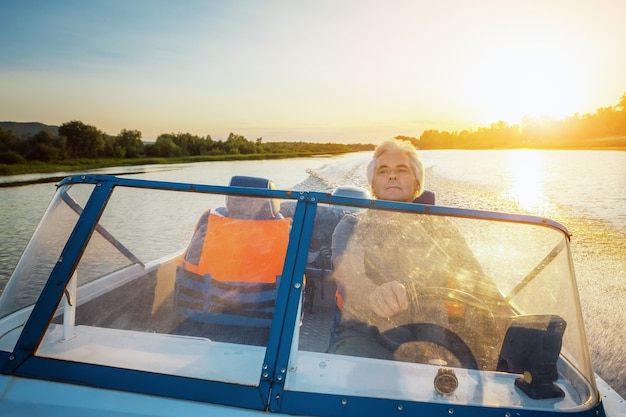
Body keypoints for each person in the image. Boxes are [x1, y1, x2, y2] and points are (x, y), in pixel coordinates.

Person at [327, 139, 505, 366]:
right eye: (384, 171)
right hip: (367, 336)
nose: (392, 176)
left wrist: (508, 320)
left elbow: (477, 279)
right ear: (373, 184)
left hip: (434, 335)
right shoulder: (352, 225)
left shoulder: (441, 230)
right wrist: (374, 293)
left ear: (417, 183)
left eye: (401, 170)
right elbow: (349, 276)